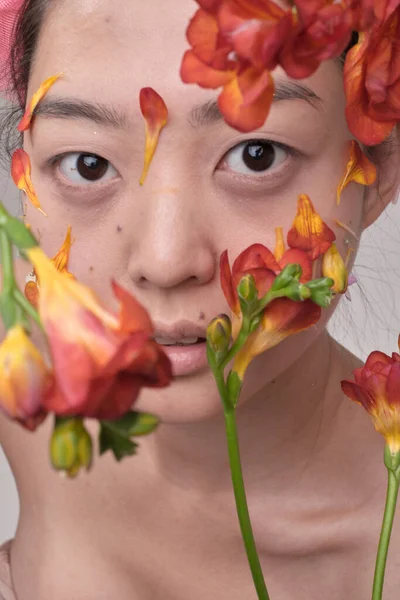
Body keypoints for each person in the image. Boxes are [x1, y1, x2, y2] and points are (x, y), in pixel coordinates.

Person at [0, 1, 399, 599]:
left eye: (256, 154)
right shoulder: (23, 369)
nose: (163, 261)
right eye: (87, 164)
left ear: (380, 169)